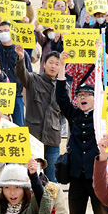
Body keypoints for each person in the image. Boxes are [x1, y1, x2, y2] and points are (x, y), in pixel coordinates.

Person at [56, 52, 108, 214]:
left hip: (98, 178)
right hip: (76, 178)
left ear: (95, 98)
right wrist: (63, 67)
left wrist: (107, 67)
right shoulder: (73, 114)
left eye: (87, 95)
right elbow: (61, 97)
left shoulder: (101, 116)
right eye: (80, 95)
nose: (83, 98)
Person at [16, 50, 62, 183]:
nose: (53, 66)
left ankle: (50, 203)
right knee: (31, 176)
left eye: (57, 64)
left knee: (52, 179)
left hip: (53, 139)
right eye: (51, 63)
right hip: (33, 138)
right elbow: (21, 73)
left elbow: (63, 113)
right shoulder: (33, 79)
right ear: (44, 64)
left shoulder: (63, 87)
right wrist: (20, 58)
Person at [0, 15, 33, 126]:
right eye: (0, 31)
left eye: (6, 30)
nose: (3, 33)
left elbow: (29, 75)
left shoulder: (21, 52)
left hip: (16, 96)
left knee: (18, 127)